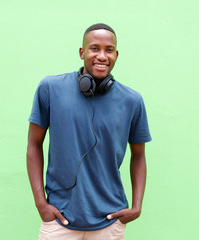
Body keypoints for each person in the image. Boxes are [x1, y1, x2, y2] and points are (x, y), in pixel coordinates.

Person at [27, 23, 151, 240]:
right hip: (60, 219)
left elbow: (139, 156)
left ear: (116, 54)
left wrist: (137, 207)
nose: (102, 55)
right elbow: (33, 145)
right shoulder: (50, 88)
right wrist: (41, 203)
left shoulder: (132, 101)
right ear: (82, 52)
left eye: (109, 50)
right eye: (95, 48)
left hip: (109, 221)